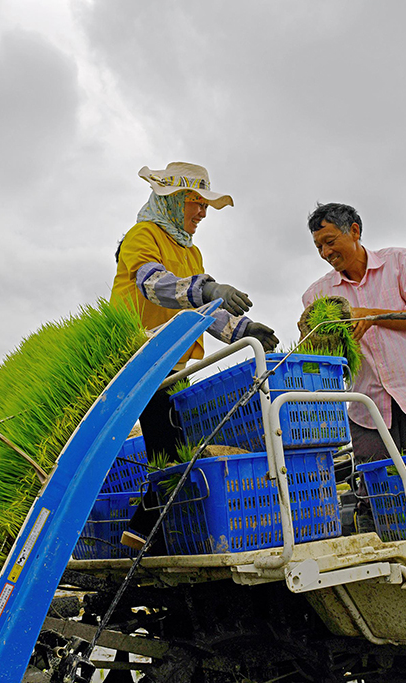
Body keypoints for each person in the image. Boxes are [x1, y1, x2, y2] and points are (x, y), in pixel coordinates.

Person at [113, 162, 278, 549]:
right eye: (196, 203)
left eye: (205, 205)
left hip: (173, 363)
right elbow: (154, 286)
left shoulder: (192, 252)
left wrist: (242, 329)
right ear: (171, 200)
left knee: (173, 447)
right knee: (167, 450)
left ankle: (145, 531)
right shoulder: (143, 236)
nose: (203, 213)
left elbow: (202, 310)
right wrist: (206, 289)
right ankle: (142, 532)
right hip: (140, 357)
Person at [301, 202, 406, 464]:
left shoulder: (400, 262)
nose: (325, 252)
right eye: (319, 247)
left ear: (354, 231)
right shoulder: (317, 295)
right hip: (366, 409)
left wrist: (372, 316)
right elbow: (320, 358)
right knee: (377, 491)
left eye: (330, 241)